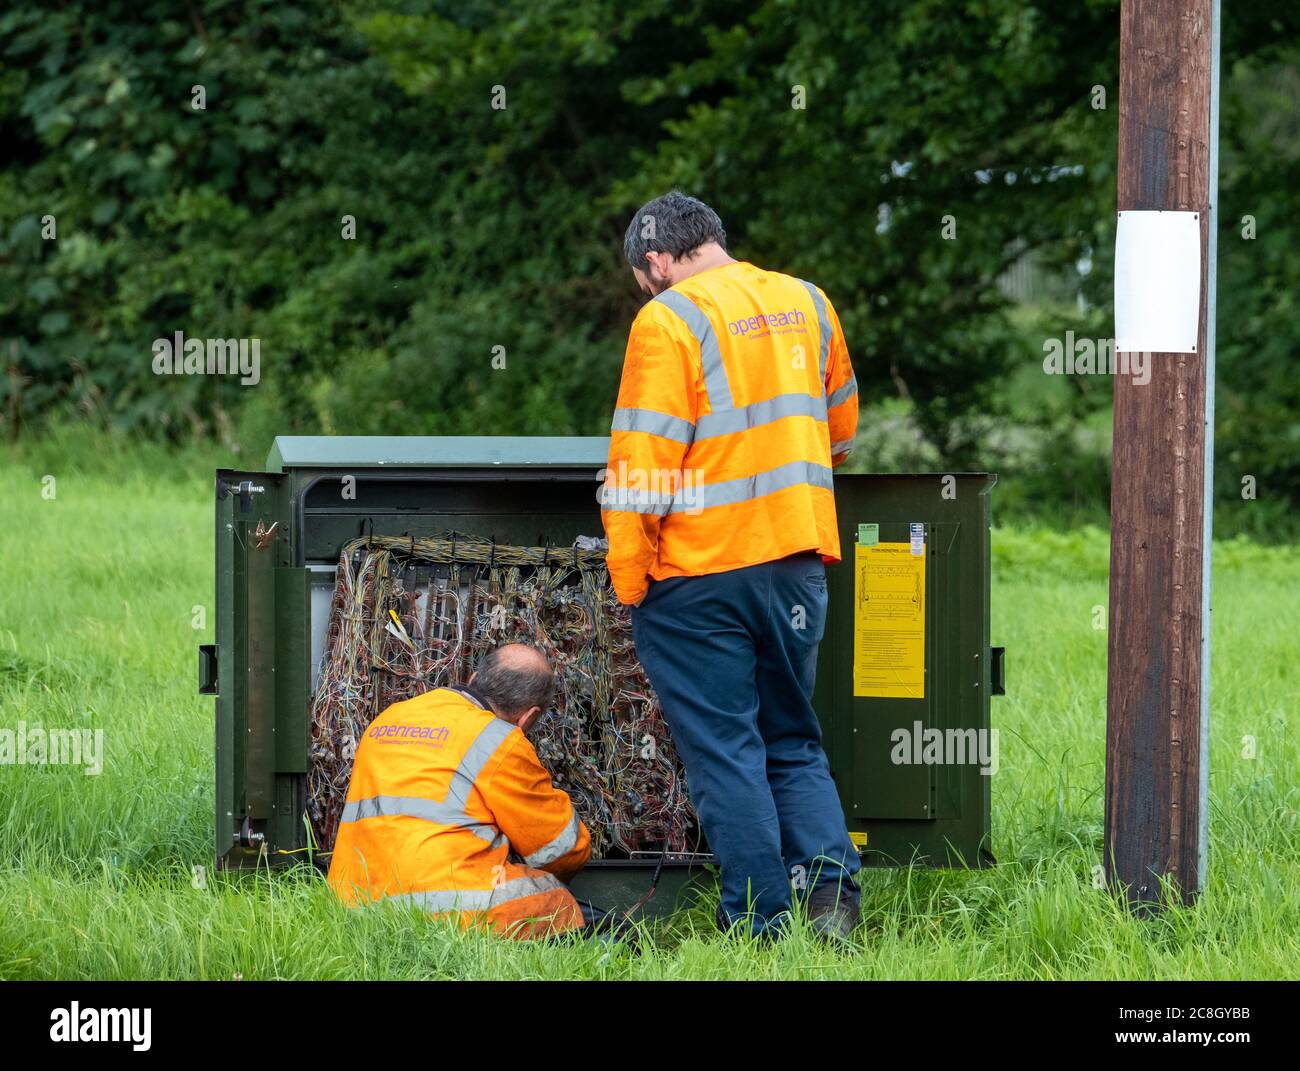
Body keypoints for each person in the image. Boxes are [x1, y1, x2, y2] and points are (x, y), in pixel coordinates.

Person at [600, 190, 862, 941]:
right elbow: (840, 426)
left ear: (655, 261)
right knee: (793, 739)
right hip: (796, 560)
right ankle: (831, 898)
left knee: (726, 751)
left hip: (699, 576)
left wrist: (631, 578)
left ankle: (760, 920)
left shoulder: (668, 319)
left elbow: (641, 468)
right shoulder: (807, 302)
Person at [327, 642, 600, 939]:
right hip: (446, 911)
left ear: (473, 679)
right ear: (528, 717)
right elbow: (561, 849)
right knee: (556, 900)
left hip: (356, 903)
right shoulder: (500, 740)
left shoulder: (390, 718)